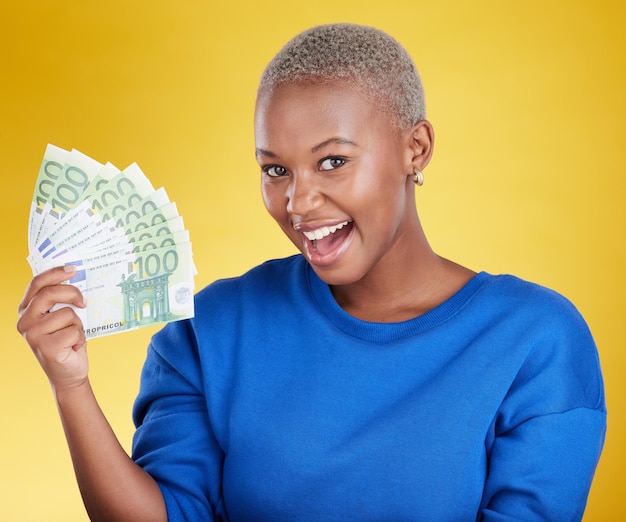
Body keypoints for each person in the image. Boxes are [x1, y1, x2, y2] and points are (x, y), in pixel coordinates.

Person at [17, 23, 606, 522]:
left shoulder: (535, 341)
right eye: (275, 170)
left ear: (416, 149)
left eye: (333, 161)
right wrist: (70, 386)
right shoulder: (213, 330)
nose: (299, 203)